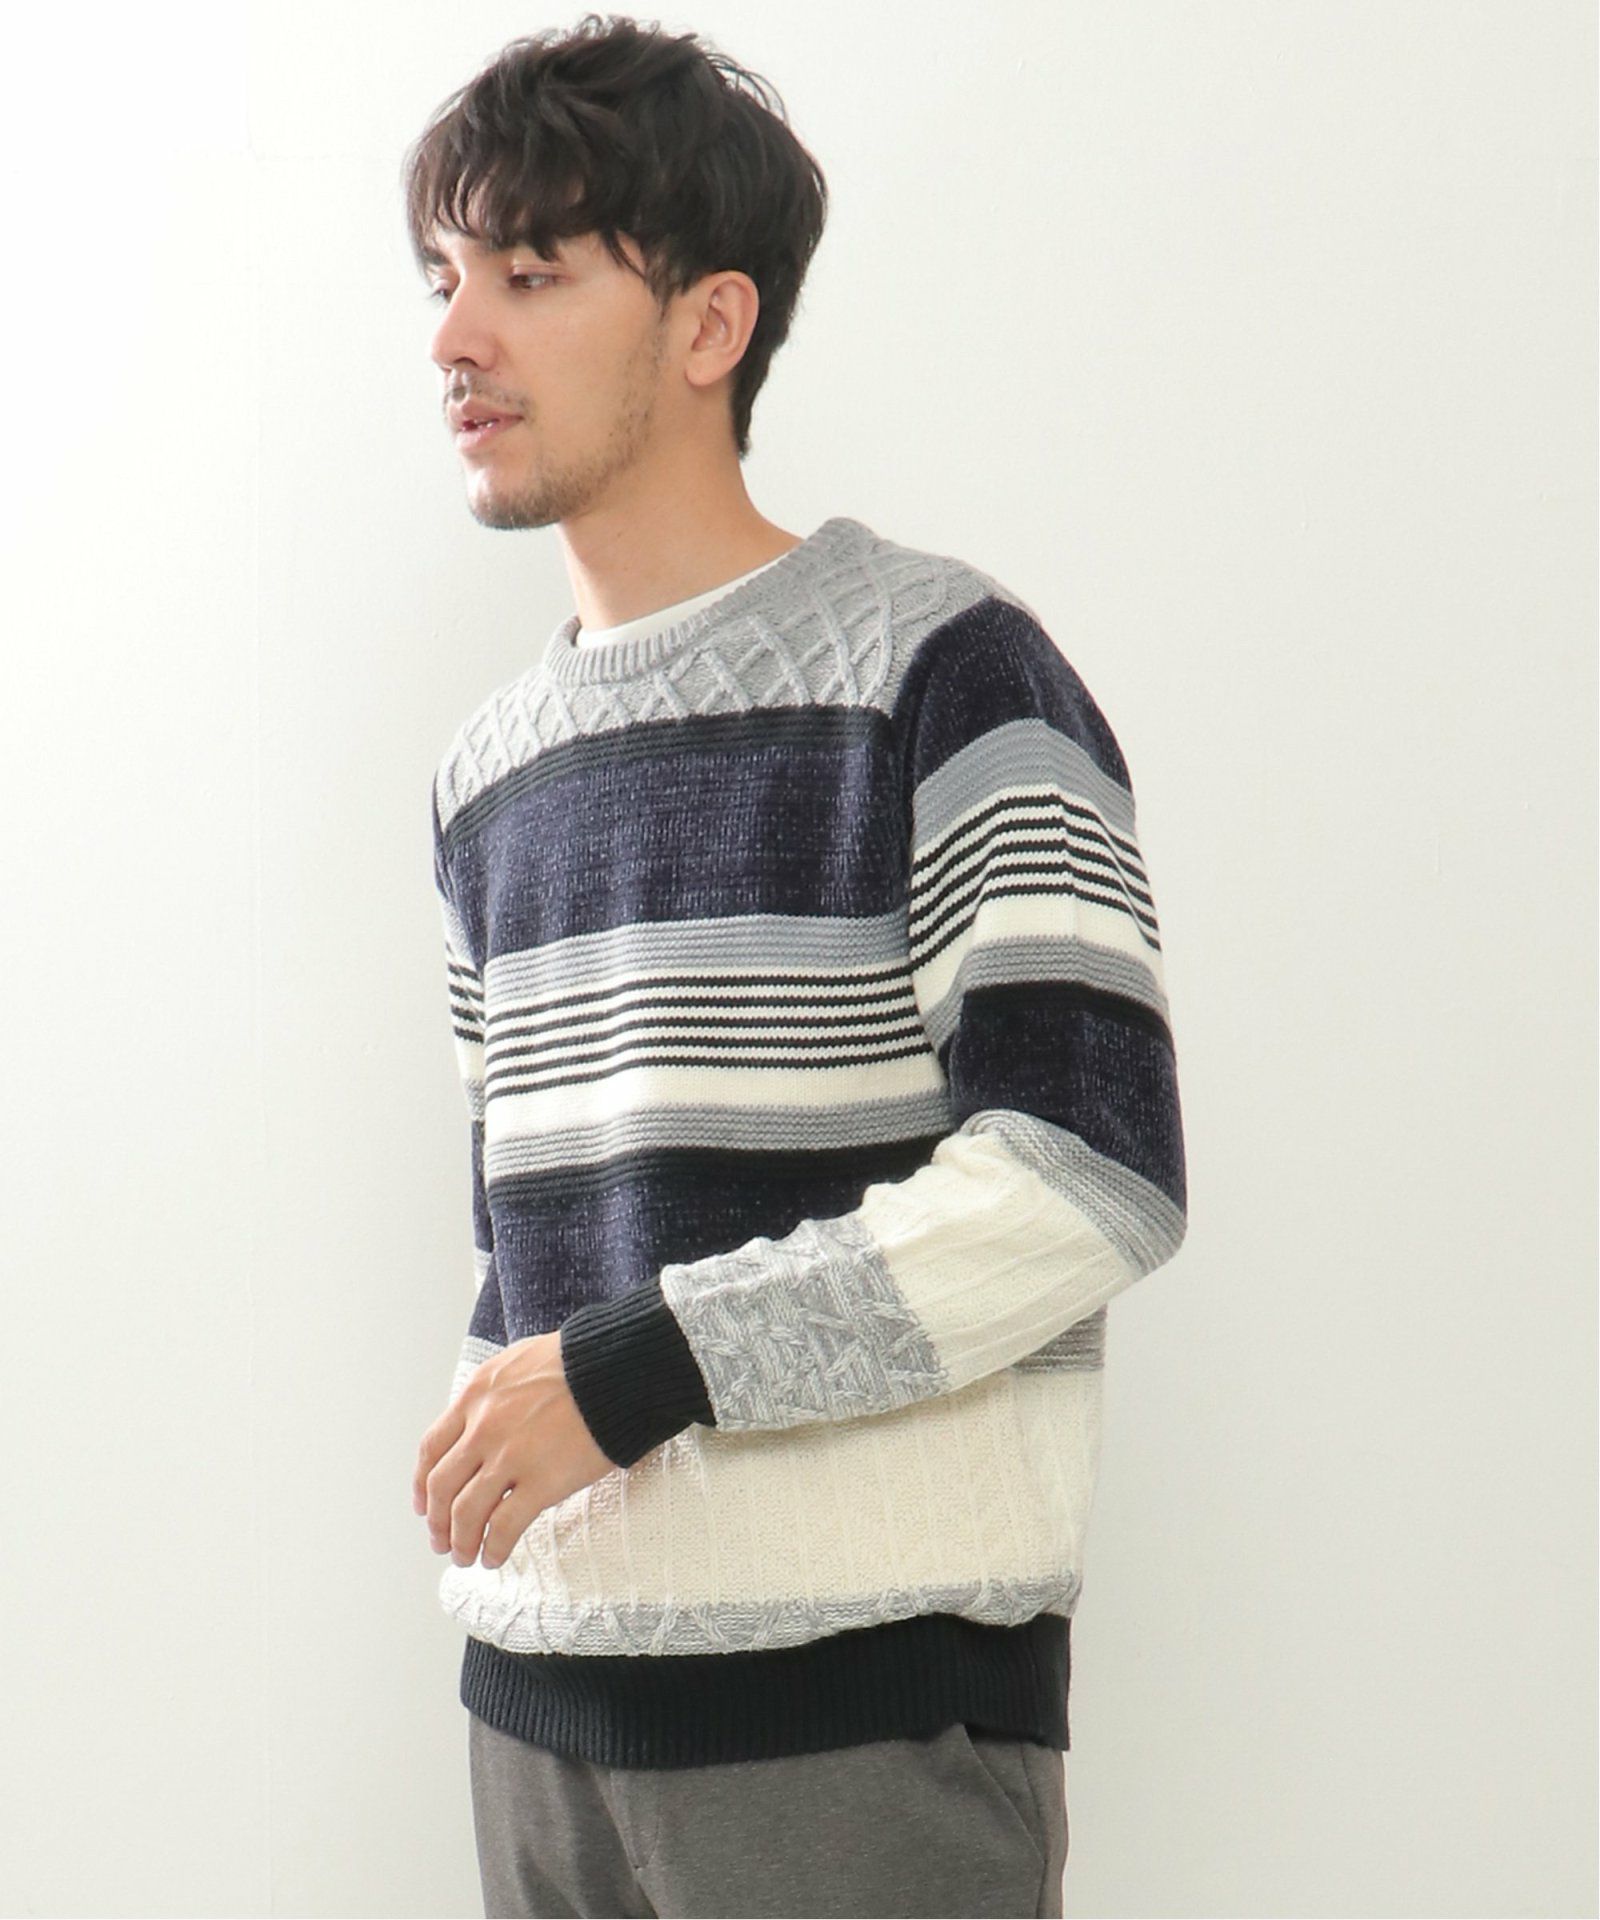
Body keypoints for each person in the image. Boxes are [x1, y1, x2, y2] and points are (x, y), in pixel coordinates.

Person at [404, 15, 1187, 1917]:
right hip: (534, 1714)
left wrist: (645, 1369)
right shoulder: (484, 780)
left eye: (530, 274)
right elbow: (526, 1249)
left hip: (852, 1730)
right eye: (442, 280)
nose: (455, 340)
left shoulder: (945, 671)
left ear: (709, 323)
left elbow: (1087, 1176)